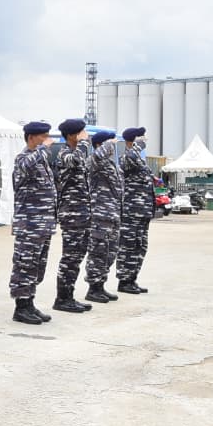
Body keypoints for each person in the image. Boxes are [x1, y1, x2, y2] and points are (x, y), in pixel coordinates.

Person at [9, 122, 58, 324]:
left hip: (43, 224)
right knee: (25, 263)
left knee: (37, 266)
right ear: (31, 138)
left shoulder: (41, 160)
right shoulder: (23, 159)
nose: (47, 140)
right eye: (42, 136)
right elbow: (25, 166)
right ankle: (20, 307)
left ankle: (29, 303)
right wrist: (43, 148)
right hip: (29, 223)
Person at [53, 119, 94, 314]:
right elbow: (77, 159)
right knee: (70, 256)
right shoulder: (65, 154)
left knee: (77, 255)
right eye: (81, 132)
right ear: (71, 135)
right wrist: (85, 143)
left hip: (82, 213)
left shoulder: (77, 153)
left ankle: (69, 296)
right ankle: (62, 298)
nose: (85, 135)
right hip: (71, 214)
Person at [84, 130, 122, 303]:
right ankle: (93, 288)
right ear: (101, 145)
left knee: (110, 252)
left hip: (112, 214)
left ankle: (101, 285)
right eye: (110, 144)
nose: (113, 148)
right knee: (98, 252)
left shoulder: (110, 164)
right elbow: (97, 156)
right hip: (100, 214)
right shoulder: (94, 161)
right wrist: (108, 142)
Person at [115, 127, 152, 294]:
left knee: (140, 246)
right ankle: (124, 281)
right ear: (133, 140)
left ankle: (132, 279)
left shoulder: (139, 159)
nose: (144, 140)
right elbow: (127, 159)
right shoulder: (127, 157)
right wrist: (138, 145)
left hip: (143, 211)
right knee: (128, 246)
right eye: (140, 138)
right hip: (131, 211)